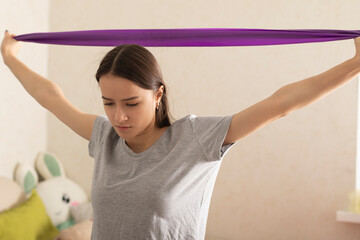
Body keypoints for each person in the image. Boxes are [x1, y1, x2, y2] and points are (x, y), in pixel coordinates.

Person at [1, 30, 360, 240]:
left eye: (131, 103)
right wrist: (10, 57)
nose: (119, 116)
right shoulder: (103, 136)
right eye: (108, 103)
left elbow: (281, 103)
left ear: (158, 95)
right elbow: (51, 97)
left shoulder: (196, 138)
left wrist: (354, 64)